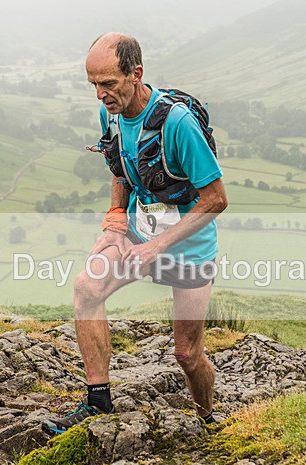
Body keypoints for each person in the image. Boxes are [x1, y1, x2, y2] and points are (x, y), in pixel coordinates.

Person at [41, 32, 228, 435]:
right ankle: (98, 402)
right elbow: (117, 163)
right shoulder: (110, 111)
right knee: (86, 288)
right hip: (139, 236)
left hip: (190, 248)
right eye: (93, 85)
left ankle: (208, 419)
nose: (100, 95)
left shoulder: (177, 123)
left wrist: (159, 246)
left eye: (108, 83)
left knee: (187, 353)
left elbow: (215, 200)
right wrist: (115, 222)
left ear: (136, 73)